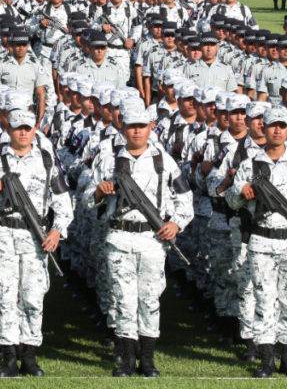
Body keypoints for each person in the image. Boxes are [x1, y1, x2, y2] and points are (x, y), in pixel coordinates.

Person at [91, 102, 192, 377]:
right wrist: (99, 192)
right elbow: (86, 197)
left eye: (141, 126)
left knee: (149, 299)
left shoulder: (163, 160)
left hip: (151, 239)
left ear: (150, 128)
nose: (136, 132)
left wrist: (176, 224)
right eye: (131, 126)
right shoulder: (109, 157)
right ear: (123, 127)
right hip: (120, 237)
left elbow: (185, 199)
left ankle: (147, 359)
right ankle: (125, 359)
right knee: (123, 299)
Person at [0, 109, 73, 377]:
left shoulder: (47, 160)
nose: (23, 133)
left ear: (34, 129)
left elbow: (63, 203)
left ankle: (30, 356)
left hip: (35, 237)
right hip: (4, 234)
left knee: (33, 296)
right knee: (4, 294)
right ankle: (8, 356)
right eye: (18, 128)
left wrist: (57, 231)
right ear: (9, 130)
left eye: (28, 128)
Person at [227, 106, 287, 377]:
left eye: (283, 126)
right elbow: (231, 200)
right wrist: (242, 192)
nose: (277, 130)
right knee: (264, 299)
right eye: (272, 125)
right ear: (263, 128)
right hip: (261, 241)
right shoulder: (250, 164)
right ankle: (266, 360)